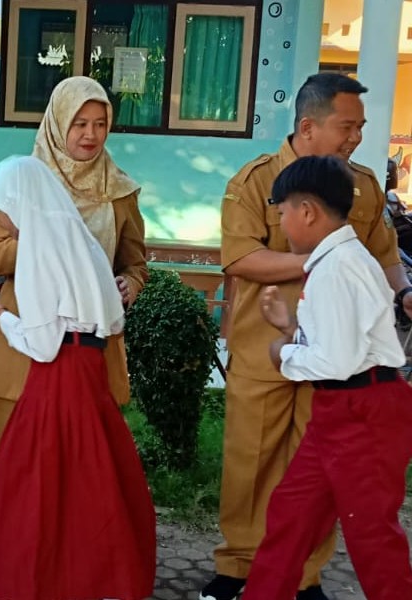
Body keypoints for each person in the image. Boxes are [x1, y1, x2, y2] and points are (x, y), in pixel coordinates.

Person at [201, 72, 412, 600]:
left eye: (360, 127)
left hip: (337, 370)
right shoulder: (258, 181)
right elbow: (241, 257)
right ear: (309, 126)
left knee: (318, 488)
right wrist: (318, 260)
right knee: (252, 464)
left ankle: (305, 577)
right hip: (268, 349)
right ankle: (238, 567)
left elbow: (384, 255)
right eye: (347, 126)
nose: (356, 137)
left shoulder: (361, 186)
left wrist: (404, 292)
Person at [0, 75, 148, 576]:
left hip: (86, 345)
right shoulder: (27, 179)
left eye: (100, 124)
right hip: (23, 338)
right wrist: (52, 235)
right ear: (57, 124)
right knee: (5, 456)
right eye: (79, 123)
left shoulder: (119, 191)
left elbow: (135, 260)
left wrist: (131, 282)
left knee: (75, 463)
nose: (90, 134)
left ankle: (61, 564)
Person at [240, 155, 412, 600]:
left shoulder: (337, 267)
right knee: (292, 514)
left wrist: (283, 353)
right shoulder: (340, 260)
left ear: (307, 212)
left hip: (363, 412)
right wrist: (291, 331)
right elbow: (343, 345)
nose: (282, 224)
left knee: (371, 535)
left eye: (282, 213)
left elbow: (336, 362)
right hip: (343, 408)